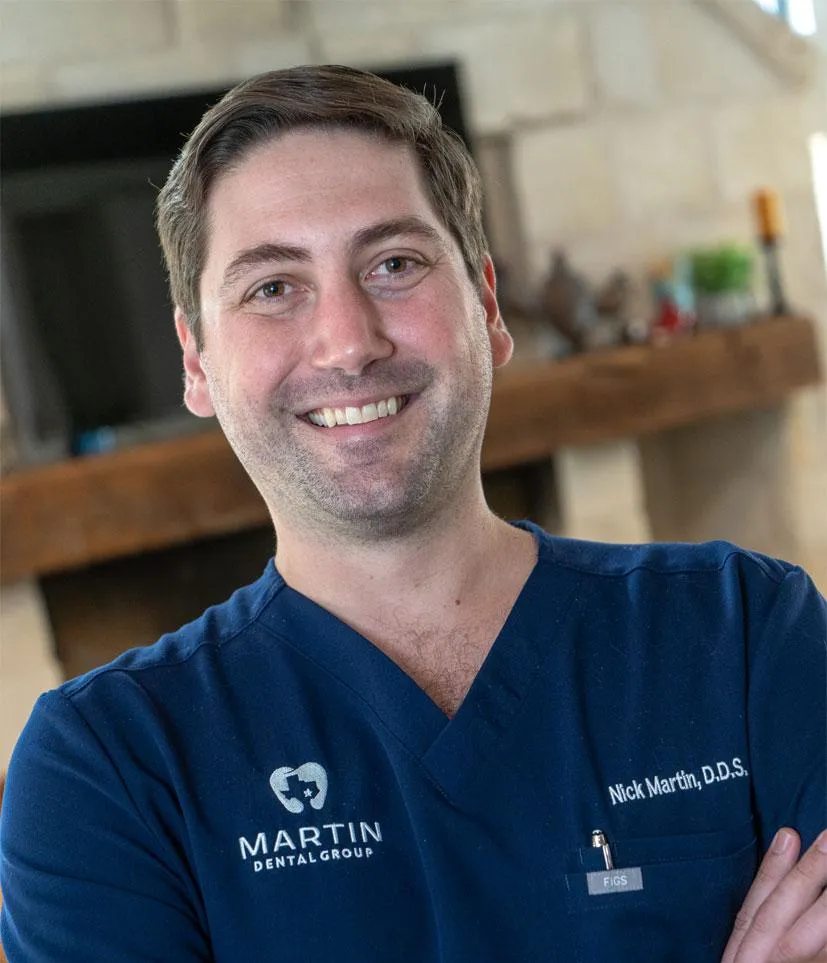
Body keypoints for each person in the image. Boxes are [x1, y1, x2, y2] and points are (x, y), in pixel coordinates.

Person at [0, 64, 825, 963]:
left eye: (393, 264)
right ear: (195, 360)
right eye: (272, 287)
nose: (349, 343)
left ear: (487, 306)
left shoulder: (744, 631)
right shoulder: (106, 765)